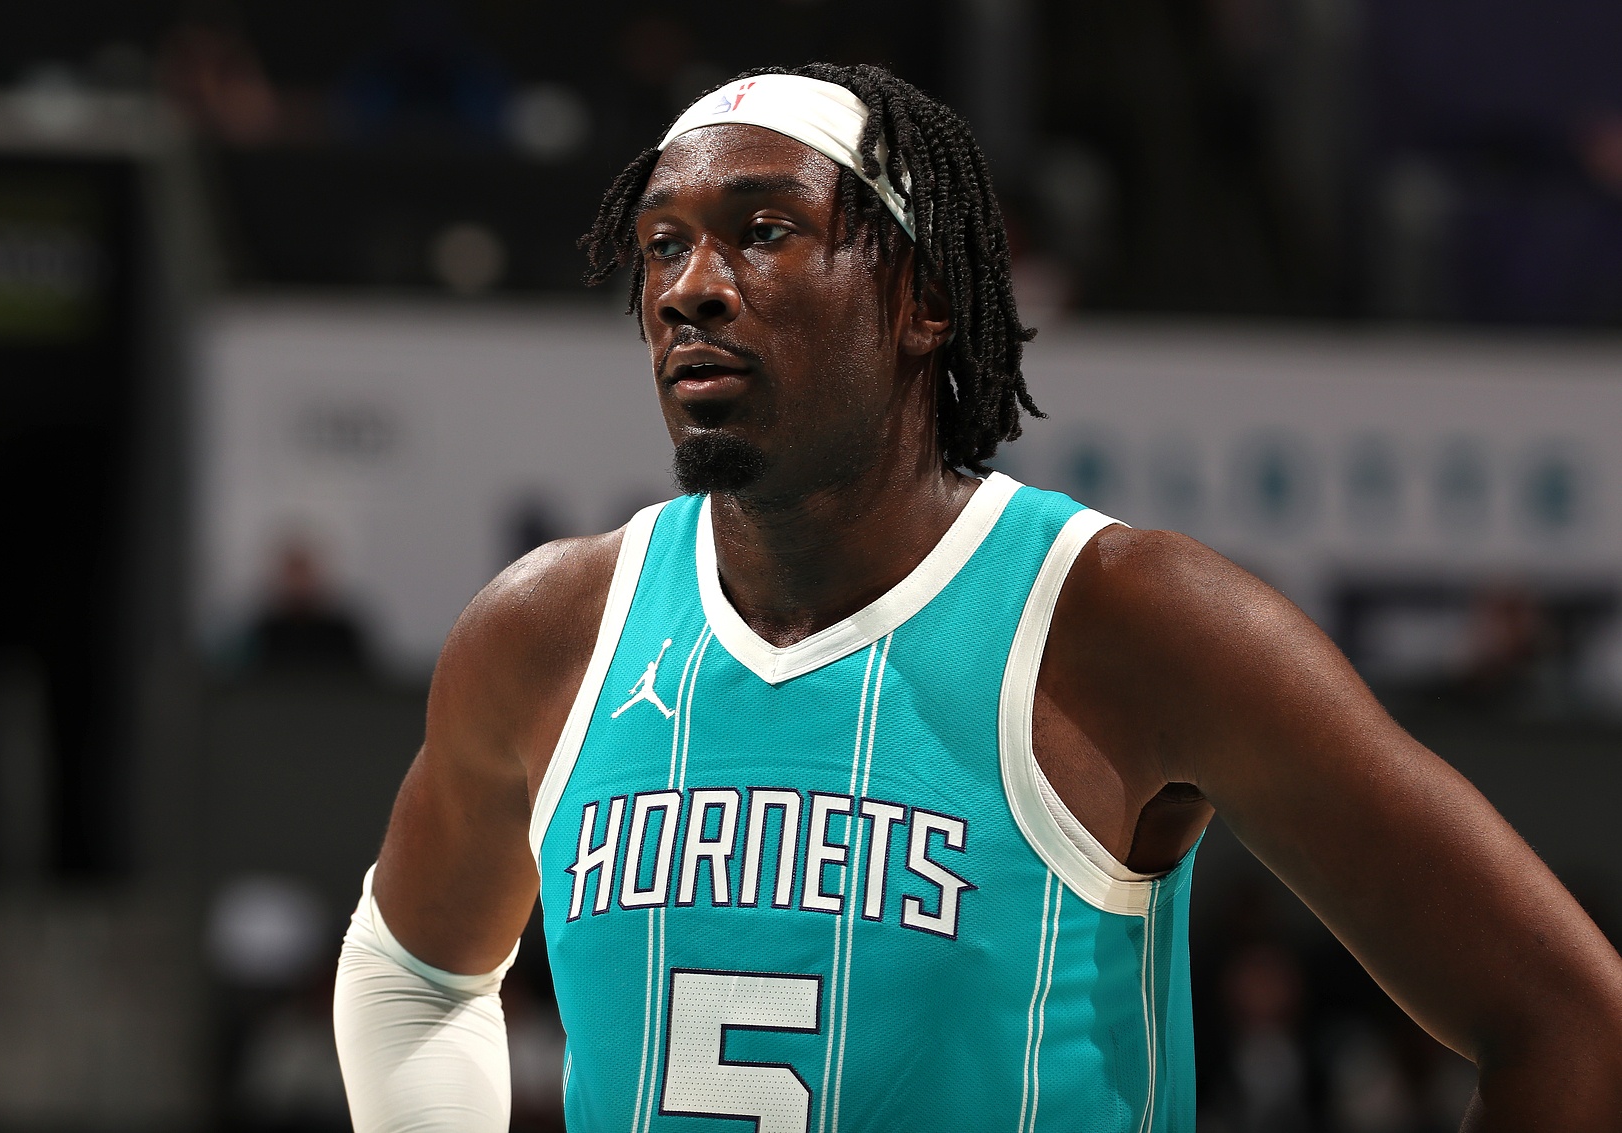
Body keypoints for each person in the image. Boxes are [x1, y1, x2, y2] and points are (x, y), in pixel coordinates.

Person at [333, 64, 1622, 1132]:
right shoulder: (548, 631)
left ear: (927, 300)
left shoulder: (1131, 619)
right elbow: (408, 978)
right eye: (664, 244)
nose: (690, 287)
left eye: (765, 230)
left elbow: (1570, 1022)